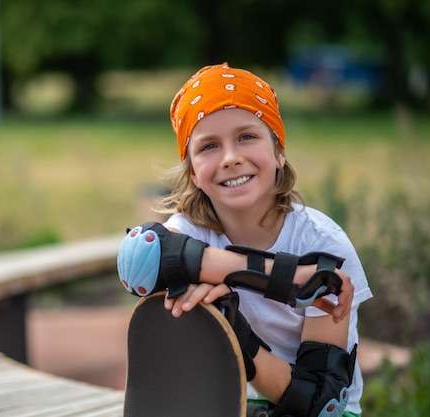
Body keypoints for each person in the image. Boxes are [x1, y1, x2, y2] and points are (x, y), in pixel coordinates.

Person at [117, 63, 372, 417]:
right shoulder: (190, 231)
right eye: (209, 146)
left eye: (247, 137)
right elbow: (137, 259)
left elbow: (319, 402)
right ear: (192, 170)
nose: (231, 158)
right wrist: (284, 278)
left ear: (279, 151)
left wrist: (233, 330)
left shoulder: (322, 245)